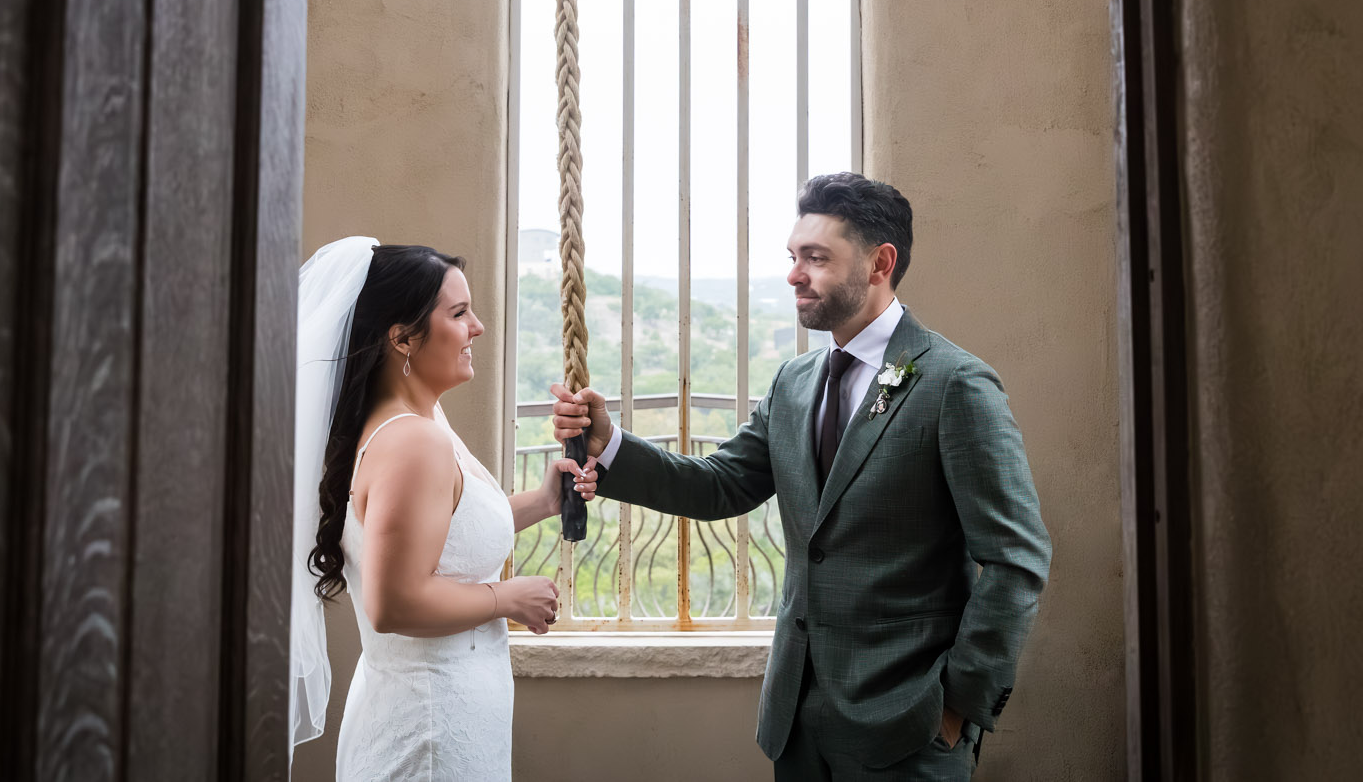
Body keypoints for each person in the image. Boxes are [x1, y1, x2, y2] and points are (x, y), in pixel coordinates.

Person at [552, 174, 1050, 781]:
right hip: (796, 724)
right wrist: (609, 445)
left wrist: (957, 704)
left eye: (816, 258)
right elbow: (718, 485)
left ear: (879, 264)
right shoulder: (794, 381)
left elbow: (1015, 557)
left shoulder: (955, 385)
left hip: (909, 727)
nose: (794, 274)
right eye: (793, 257)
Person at [291, 238, 596, 781]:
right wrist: (507, 597)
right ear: (403, 338)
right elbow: (393, 603)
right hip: (426, 732)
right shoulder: (413, 443)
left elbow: (443, 532)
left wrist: (545, 501)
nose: (477, 326)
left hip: (448, 715)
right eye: (458, 313)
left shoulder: (421, 422)